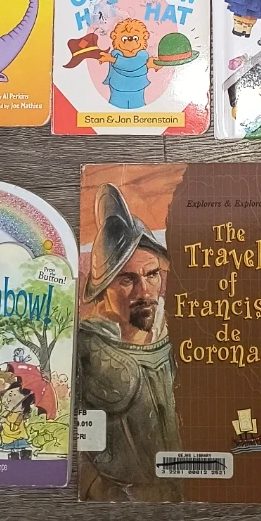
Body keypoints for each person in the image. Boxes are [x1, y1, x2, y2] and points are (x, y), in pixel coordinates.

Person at [78, 182, 181, 501]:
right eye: (128, 279)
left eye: (152, 274)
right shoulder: (84, 348)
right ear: (104, 287)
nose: (145, 292)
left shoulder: (179, 337)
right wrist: (98, 489)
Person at [101, 19, 151, 109]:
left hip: (136, 87)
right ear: (115, 37)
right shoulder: (115, 54)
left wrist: (112, 60)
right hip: (117, 87)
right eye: (124, 39)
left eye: (135, 38)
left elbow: (131, 65)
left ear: (144, 36)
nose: (130, 42)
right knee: (115, 106)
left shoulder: (142, 55)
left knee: (137, 106)